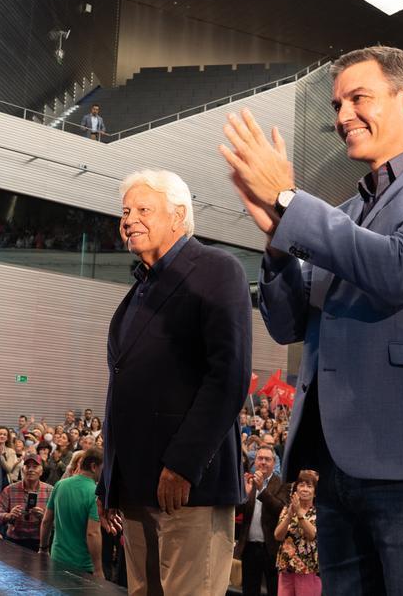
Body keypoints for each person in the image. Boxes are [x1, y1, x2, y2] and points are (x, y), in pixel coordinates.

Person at [221, 45, 403, 594]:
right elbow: (289, 326)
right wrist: (277, 243)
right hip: (337, 466)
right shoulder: (342, 216)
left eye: (358, 98)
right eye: (337, 104)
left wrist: (288, 198)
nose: (342, 115)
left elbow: (400, 267)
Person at [96, 169, 252, 596]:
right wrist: (109, 479)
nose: (128, 219)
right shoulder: (137, 292)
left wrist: (184, 463)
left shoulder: (216, 270)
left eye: (143, 209)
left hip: (187, 490)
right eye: (125, 212)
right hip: (134, 488)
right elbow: (120, 393)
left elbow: (230, 375)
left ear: (179, 216)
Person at [41, 447, 104, 576]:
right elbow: (93, 533)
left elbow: (46, 521)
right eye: (104, 468)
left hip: (57, 558)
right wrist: (98, 569)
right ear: (93, 466)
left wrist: (43, 548)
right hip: (82, 565)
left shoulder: (60, 485)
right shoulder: (96, 494)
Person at [237, 446, 290, 596]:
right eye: (260, 458)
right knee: (249, 590)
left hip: (271, 549)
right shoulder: (247, 481)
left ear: (274, 463)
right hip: (249, 548)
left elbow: (281, 511)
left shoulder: (282, 483)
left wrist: (261, 490)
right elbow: (235, 512)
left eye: (267, 459)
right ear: (255, 462)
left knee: (273, 591)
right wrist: (245, 496)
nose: (263, 462)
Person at [0, 454, 53, 551]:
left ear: (41, 471)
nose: (30, 470)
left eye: (35, 467)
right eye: (27, 466)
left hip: (40, 542)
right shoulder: (10, 490)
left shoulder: (50, 491)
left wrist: (45, 517)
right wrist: (9, 515)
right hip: (14, 541)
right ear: (22, 470)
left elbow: (58, 521)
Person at [274, 470, 320, 596]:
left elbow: (312, 535)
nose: (305, 489)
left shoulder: (318, 512)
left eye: (309, 486)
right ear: (296, 489)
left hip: (308, 570)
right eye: (301, 485)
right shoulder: (286, 509)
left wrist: (299, 513)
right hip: (286, 568)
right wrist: (289, 515)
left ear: (315, 493)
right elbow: (278, 536)